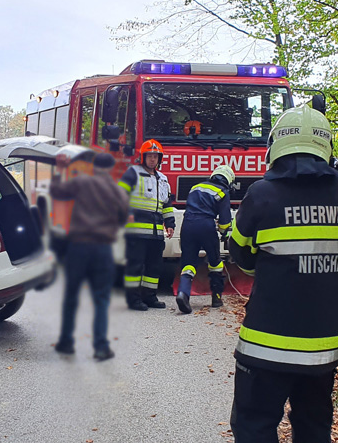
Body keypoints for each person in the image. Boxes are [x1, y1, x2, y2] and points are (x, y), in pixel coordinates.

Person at [221, 99, 338, 443]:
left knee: (255, 422)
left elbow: (242, 259)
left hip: (267, 346)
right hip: (324, 350)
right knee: (313, 423)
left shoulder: (262, 196)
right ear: (325, 146)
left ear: (276, 145)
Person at [50, 152, 130, 361]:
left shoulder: (82, 182)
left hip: (78, 247)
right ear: (111, 169)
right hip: (102, 249)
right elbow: (123, 219)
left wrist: (59, 170)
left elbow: (57, 192)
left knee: (71, 295)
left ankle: (66, 341)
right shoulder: (117, 191)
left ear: (94, 167)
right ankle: (101, 347)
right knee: (101, 299)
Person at [119, 140, 175, 311]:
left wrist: (170, 223)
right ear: (143, 157)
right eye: (149, 156)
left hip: (156, 233)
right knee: (135, 266)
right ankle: (133, 300)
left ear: (160, 159)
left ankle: (150, 297)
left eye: (155, 156)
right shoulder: (133, 173)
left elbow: (167, 204)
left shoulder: (163, 178)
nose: (152, 159)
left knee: (154, 267)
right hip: (136, 232)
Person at [175, 164, 234, 313]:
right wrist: (224, 233)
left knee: (188, 262)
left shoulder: (196, 187)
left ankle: (183, 294)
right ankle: (216, 298)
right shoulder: (223, 192)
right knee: (215, 262)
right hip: (206, 226)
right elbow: (224, 222)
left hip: (187, 225)